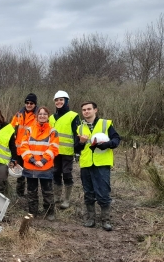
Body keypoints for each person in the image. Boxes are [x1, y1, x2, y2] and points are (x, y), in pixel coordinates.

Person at [74, 101, 120, 231]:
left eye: (89, 109)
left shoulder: (105, 124)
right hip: (86, 163)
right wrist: (81, 143)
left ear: (95, 110)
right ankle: (90, 219)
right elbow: (76, 148)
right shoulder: (80, 128)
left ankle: (105, 220)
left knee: (103, 192)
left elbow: (116, 140)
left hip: (102, 163)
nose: (86, 112)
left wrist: (106, 144)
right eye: (84, 110)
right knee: (88, 192)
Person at [20, 107, 59, 220]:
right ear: (37, 116)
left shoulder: (53, 131)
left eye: (45, 114)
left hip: (45, 166)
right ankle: (33, 212)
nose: (42, 116)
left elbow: (54, 148)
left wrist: (43, 160)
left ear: (48, 116)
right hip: (30, 165)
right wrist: (32, 160)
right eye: (40, 114)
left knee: (47, 191)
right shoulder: (29, 130)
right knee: (32, 191)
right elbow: (23, 146)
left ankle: (49, 212)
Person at [49, 91, 81, 210]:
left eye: (61, 100)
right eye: (56, 100)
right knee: (55, 173)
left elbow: (77, 134)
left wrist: (77, 151)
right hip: (54, 152)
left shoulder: (73, 115)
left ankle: (66, 199)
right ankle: (57, 197)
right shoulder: (51, 117)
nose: (58, 102)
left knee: (67, 174)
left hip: (67, 151)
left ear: (66, 101)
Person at [11, 93, 38, 197]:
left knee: (31, 173)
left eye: (31, 103)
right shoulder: (18, 114)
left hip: (32, 150)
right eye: (27, 102)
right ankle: (20, 193)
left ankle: (32, 193)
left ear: (35, 104)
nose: (29, 105)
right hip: (19, 149)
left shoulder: (38, 115)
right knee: (20, 172)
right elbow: (11, 128)